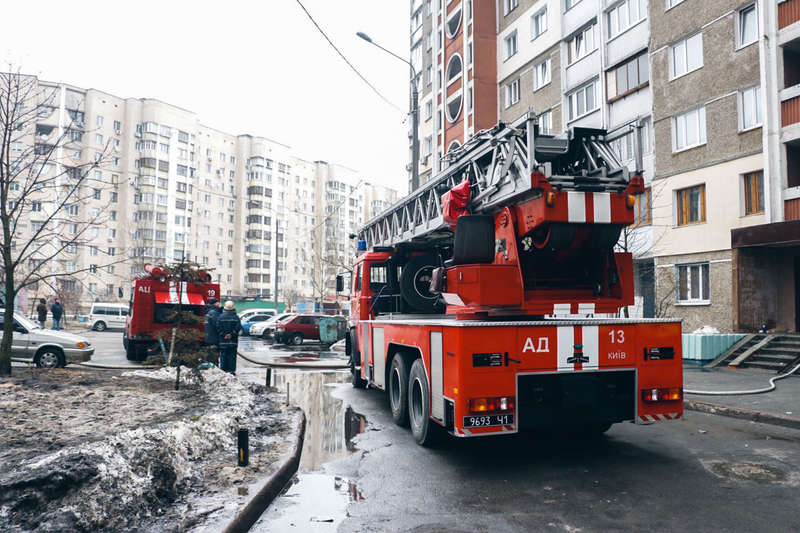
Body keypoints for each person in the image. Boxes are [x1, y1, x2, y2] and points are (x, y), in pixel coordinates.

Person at [215, 301, 242, 375]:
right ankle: (231, 371)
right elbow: (238, 327)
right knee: (232, 356)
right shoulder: (236, 317)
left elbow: (218, 327)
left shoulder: (220, 317)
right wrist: (231, 334)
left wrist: (224, 334)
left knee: (223, 356)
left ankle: (223, 370)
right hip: (233, 341)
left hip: (223, 341)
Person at [204, 298, 221, 362]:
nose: (219, 303)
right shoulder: (214, 312)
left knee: (209, 353)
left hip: (208, 336)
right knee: (213, 354)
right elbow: (217, 324)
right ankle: (213, 365)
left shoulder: (207, 311)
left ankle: (210, 364)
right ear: (215, 303)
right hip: (213, 337)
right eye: (218, 302)